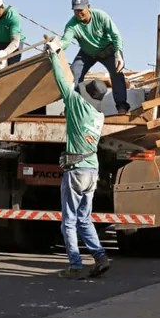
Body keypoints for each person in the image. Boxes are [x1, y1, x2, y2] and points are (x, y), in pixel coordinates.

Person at [44, 37, 111, 280]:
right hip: (92, 170)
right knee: (84, 218)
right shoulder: (98, 115)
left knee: (69, 222)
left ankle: (75, 265)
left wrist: (53, 54)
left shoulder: (76, 104)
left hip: (76, 171)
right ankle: (100, 257)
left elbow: (63, 82)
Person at [61, 0, 130, 114]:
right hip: (87, 53)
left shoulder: (101, 16)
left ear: (88, 7)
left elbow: (116, 35)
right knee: (73, 74)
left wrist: (118, 53)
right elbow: (65, 41)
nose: (79, 14)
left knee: (117, 73)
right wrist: (56, 46)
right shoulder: (72, 25)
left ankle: (122, 107)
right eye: (76, 11)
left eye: (81, 10)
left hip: (107, 50)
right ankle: (72, 107)